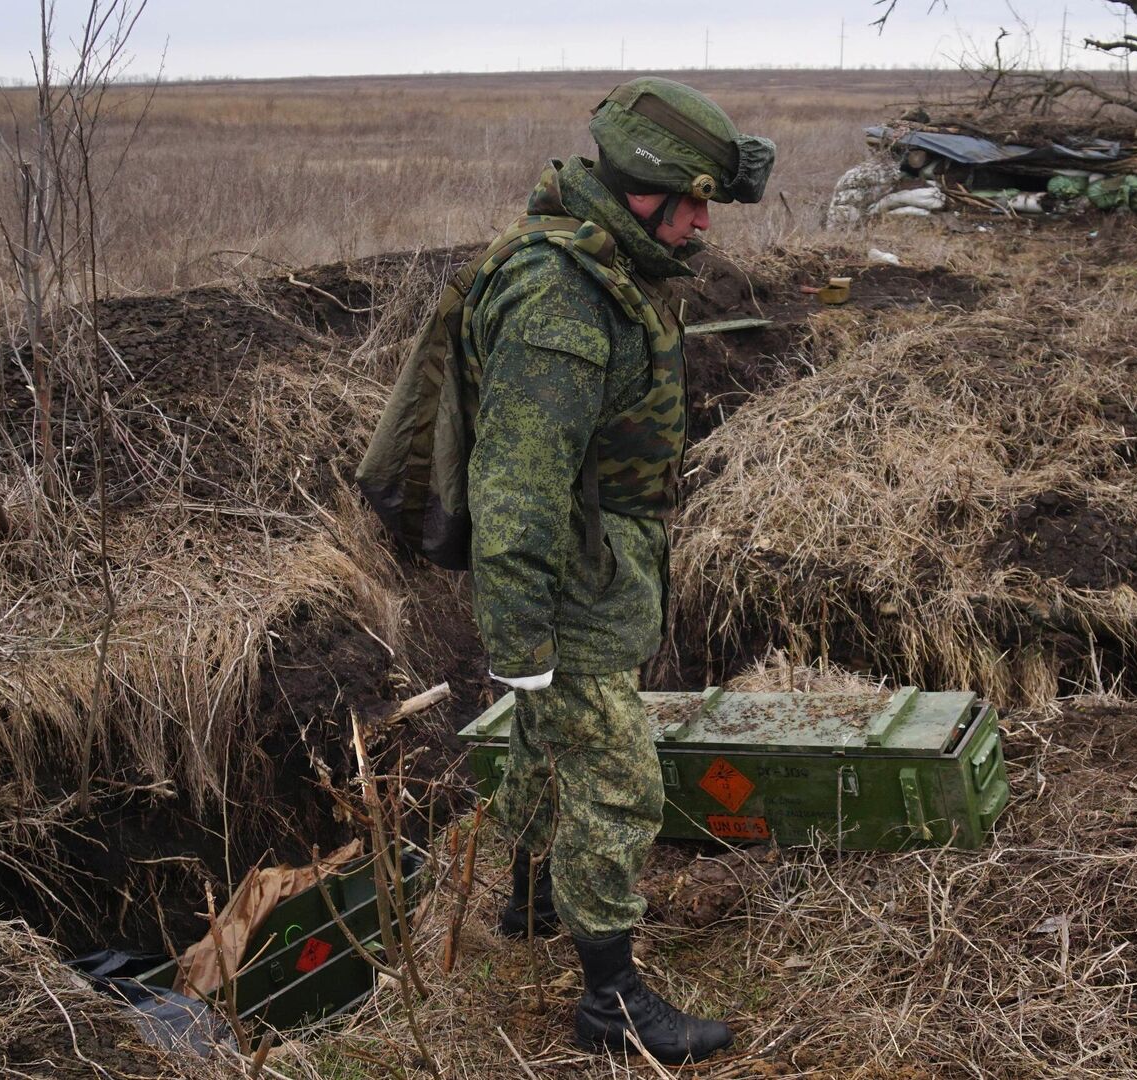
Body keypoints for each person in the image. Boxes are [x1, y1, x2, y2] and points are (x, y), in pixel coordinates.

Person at [465, 77, 773, 1064]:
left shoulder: (613, 266)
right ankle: (610, 1005)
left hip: (601, 566)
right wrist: (521, 648)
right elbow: (515, 492)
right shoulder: (561, 298)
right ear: (636, 186)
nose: (701, 220)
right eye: (687, 199)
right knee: (618, 782)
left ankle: (523, 906)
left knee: (544, 748)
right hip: (568, 578)